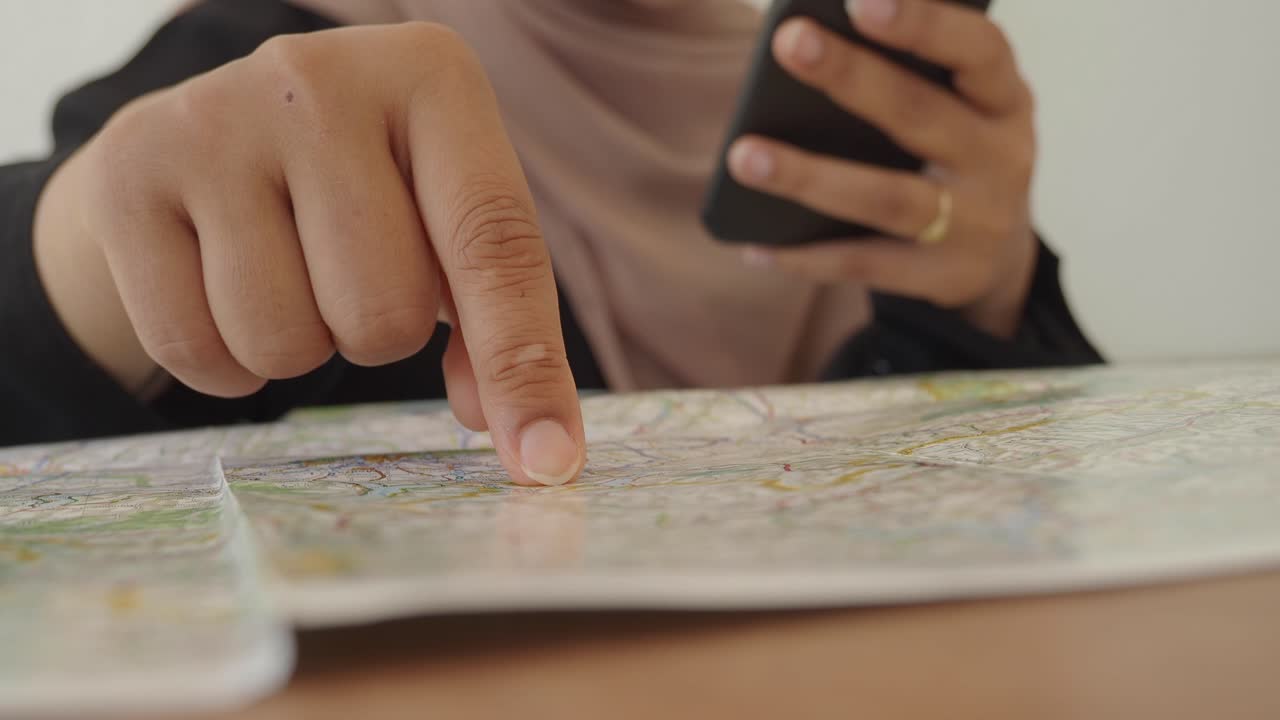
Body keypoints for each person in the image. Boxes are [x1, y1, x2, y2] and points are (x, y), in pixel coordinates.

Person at [0, 0, 1100, 485]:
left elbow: (1038, 501)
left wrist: (993, 294)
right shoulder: (272, 53)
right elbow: (63, 275)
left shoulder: (831, 103)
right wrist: (86, 249)